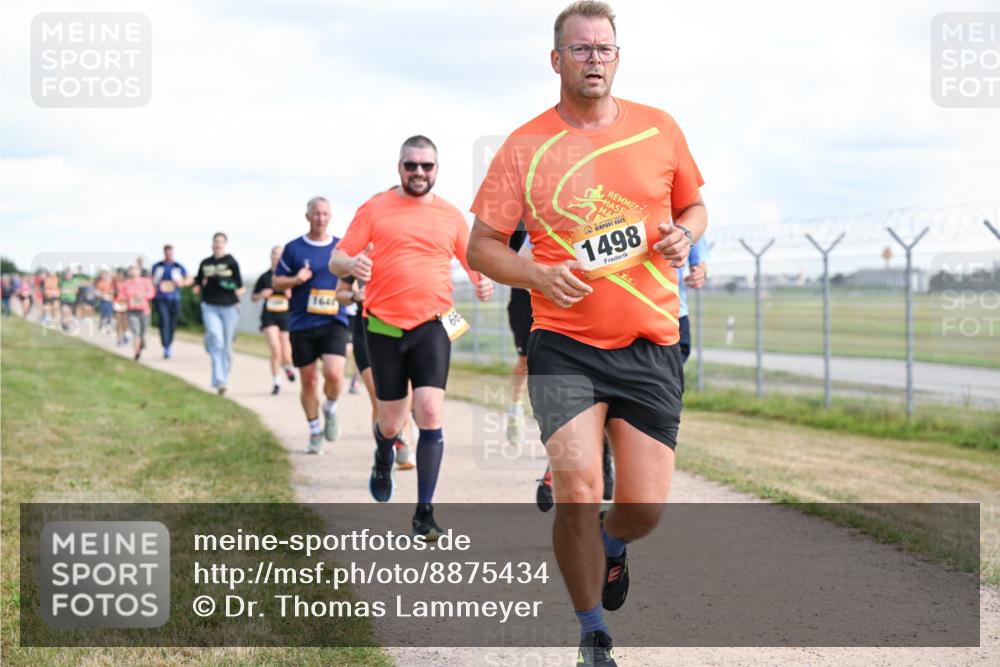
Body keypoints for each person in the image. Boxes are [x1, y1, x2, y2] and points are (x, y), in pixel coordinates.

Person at [466, 3, 708, 664]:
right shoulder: (524, 147)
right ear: (557, 60)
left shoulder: (659, 129)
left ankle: (614, 543)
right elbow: (481, 247)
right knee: (575, 486)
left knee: (644, 508)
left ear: (617, 57)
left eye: (603, 48)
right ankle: (592, 631)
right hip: (565, 343)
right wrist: (538, 274)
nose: (593, 58)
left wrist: (688, 229)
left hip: (651, 342)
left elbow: (694, 203)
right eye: (580, 49)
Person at [330, 135, 494, 540]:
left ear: (436, 170)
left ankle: (424, 513)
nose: (419, 172)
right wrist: (352, 262)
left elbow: (473, 257)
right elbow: (337, 260)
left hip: (434, 325)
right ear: (399, 167)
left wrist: (482, 280)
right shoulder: (374, 208)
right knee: (391, 421)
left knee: (430, 413)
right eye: (411, 165)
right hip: (383, 326)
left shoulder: (451, 215)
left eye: (427, 166)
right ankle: (384, 456)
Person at [272, 197, 349, 454]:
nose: (320, 218)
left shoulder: (341, 247)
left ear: (331, 217)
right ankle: (315, 430)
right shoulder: (294, 248)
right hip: (302, 323)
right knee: (308, 380)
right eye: (316, 213)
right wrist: (296, 279)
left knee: (335, 374)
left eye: (325, 213)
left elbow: (354, 278)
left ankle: (330, 407)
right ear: (307, 216)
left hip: (334, 321)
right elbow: (276, 283)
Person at [336, 274, 415, 470]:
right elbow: (340, 294)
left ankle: (404, 440)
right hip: (368, 328)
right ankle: (387, 454)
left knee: (407, 396)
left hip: (410, 326)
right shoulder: (362, 254)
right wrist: (355, 296)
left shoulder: (416, 247)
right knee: (379, 398)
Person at [193, 232, 244, 395]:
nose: (218, 245)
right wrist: (198, 287)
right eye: (215, 242)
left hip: (229, 307)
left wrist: (224, 284)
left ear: (225, 244)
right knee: (217, 341)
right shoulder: (205, 263)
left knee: (226, 346)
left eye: (221, 242)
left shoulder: (231, 262)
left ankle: (223, 376)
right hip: (210, 306)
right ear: (212, 244)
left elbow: (239, 285)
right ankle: (220, 381)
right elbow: (198, 283)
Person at [252, 245, 296, 395]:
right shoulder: (265, 277)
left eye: (279, 255)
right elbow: (254, 297)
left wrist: (288, 291)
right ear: (270, 256)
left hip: (285, 316)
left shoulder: (289, 275)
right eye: (274, 254)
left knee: (287, 354)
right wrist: (261, 295)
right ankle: (276, 381)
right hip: (269, 316)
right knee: (275, 350)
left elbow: (296, 296)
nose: (277, 257)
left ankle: (287, 367)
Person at [151, 244, 192, 359]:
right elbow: (150, 280)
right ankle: (166, 346)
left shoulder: (178, 266)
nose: (168, 255)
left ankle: (169, 343)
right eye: (166, 252)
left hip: (175, 298)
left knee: (172, 323)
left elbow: (189, 279)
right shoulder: (157, 266)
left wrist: (182, 283)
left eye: (170, 252)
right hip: (161, 298)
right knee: (164, 321)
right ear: (164, 253)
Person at [676, 237, 709, 362]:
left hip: (676, 315)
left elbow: (700, 264)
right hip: (629, 318)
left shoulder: (685, 218)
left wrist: (699, 274)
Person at [119, 265, 156, 360]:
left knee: (143, 332)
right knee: (136, 331)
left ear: (139, 271)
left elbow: (152, 293)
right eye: (132, 270)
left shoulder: (146, 282)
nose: (133, 272)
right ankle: (137, 352)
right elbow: (121, 296)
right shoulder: (126, 283)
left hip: (144, 311)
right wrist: (128, 298)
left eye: (135, 270)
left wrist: (143, 295)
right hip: (132, 311)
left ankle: (140, 344)